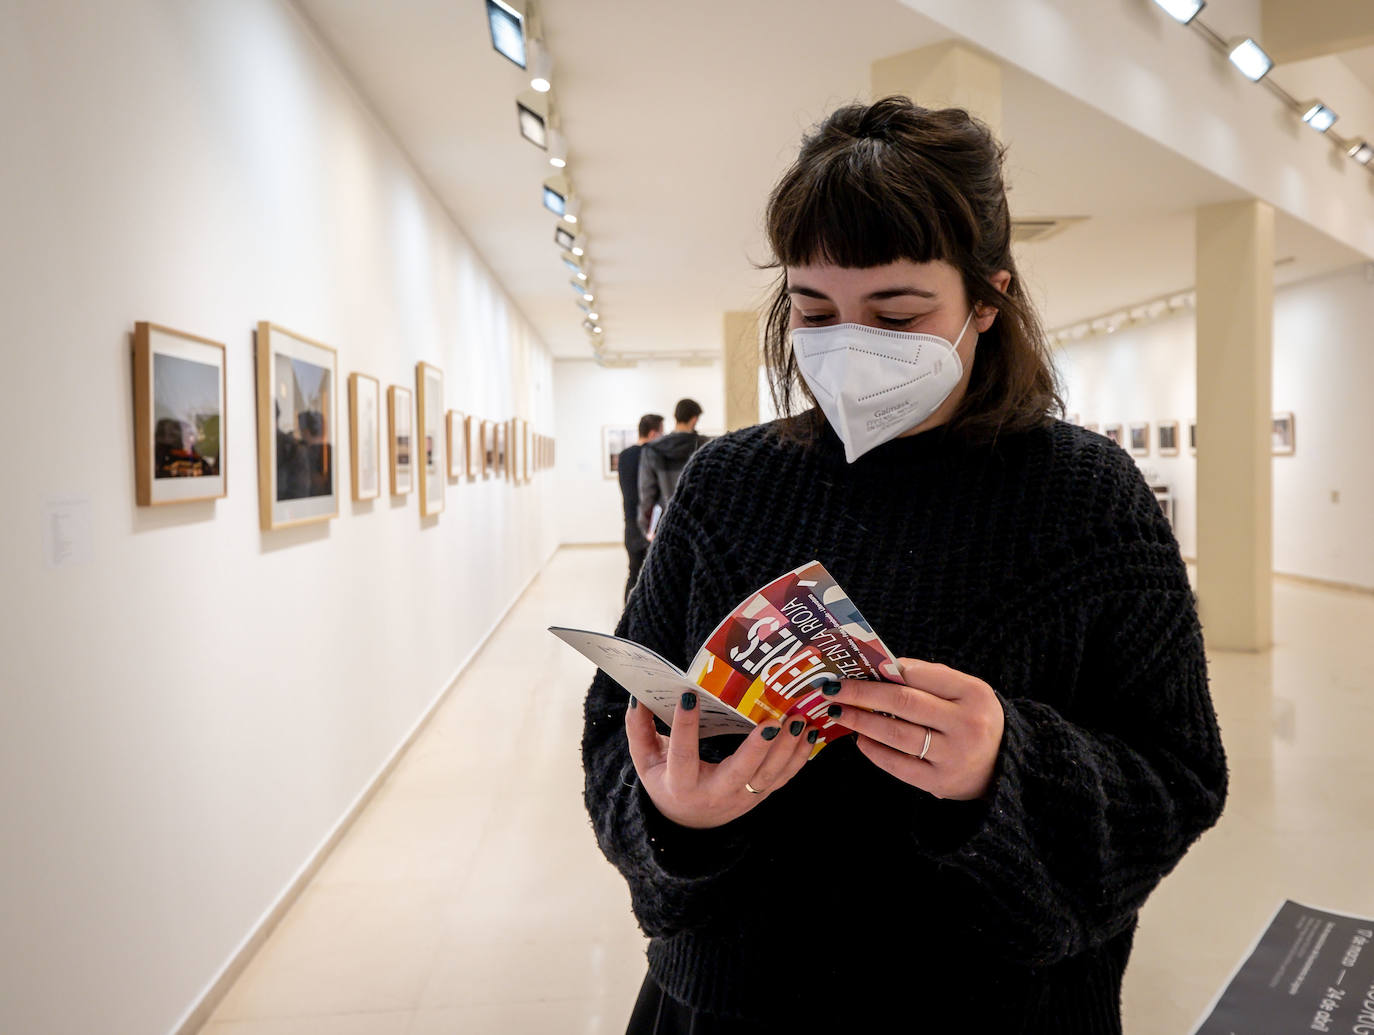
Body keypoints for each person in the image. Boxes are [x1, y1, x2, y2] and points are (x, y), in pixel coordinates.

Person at [581, 97, 1227, 1033]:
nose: (849, 346)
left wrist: (1004, 767)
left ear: (989, 298)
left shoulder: (1088, 498)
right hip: (733, 995)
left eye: (896, 312)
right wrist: (670, 811)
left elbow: (1178, 775)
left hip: (997, 1004)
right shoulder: (726, 485)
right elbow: (618, 720)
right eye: (814, 310)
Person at [636, 398, 707, 540]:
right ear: (694, 419)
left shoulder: (653, 449)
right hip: (699, 524)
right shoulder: (704, 446)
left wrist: (647, 526)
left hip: (665, 523)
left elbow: (647, 491)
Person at [619, 413, 664, 602]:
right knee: (653, 576)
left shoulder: (624, 456)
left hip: (630, 524)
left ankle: (627, 616)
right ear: (653, 433)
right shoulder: (653, 455)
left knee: (634, 572)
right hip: (650, 524)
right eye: (662, 432)